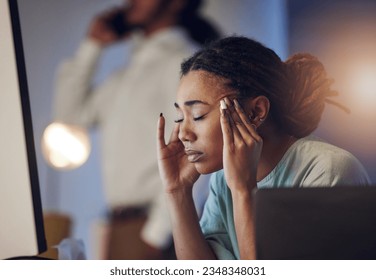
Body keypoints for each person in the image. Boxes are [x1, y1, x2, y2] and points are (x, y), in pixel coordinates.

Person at [157, 36, 371, 260]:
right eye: (180, 117)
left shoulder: (330, 170)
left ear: (257, 111)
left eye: (198, 115)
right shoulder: (223, 181)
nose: (183, 133)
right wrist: (178, 193)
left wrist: (244, 191)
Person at [53, 0, 220, 259]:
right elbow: (70, 116)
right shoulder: (125, 76)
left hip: (155, 230)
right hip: (118, 226)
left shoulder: (185, 62)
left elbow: (199, 149)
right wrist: (92, 45)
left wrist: (156, 234)